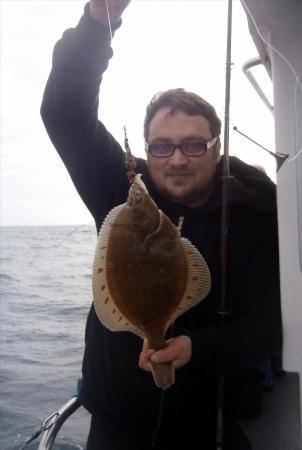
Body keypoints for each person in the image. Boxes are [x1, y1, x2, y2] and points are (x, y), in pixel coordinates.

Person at [41, 1, 282, 449]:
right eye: (161, 147)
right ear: (146, 151)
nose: (175, 159)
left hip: (208, 421)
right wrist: (97, 21)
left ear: (216, 145)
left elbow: (269, 323)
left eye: (193, 145)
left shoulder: (255, 211)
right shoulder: (122, 186)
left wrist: (196, 348)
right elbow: (65, 114)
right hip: (115, 424)